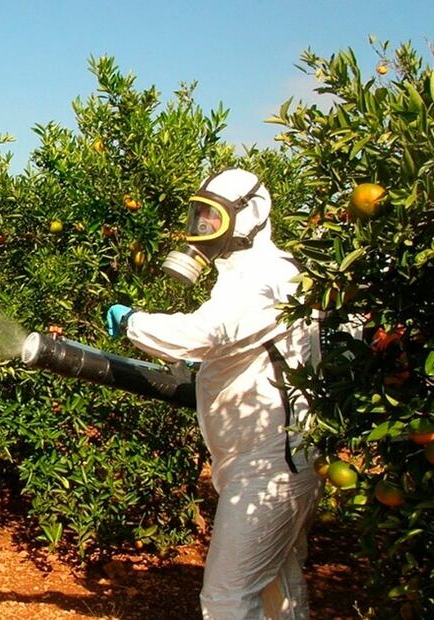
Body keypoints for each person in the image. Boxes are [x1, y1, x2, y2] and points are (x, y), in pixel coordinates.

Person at [105, 168, 321, 619]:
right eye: (198, 216)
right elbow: (239, 346)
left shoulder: (268, 276)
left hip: (268, 468)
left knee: (227, 599)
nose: (203, 228)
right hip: (266, 460)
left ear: (252, 213)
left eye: (213, 216)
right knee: (277, 588)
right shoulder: (244, 277)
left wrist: (133, 323)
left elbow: (210, 332)